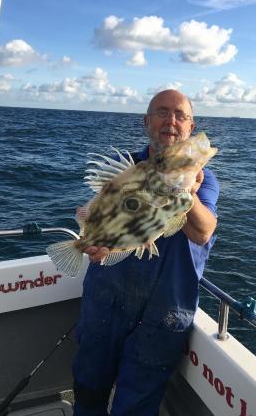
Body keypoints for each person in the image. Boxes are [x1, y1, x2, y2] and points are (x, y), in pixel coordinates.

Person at [72, 89, 219, 416]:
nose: (171, 121)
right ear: (146, 121)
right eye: (162, 112)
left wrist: (186, 193)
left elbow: (203, 231)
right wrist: (93, 242)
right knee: (88, 388)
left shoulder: (203, 180)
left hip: (165, 308)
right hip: (105, 297)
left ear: (190, 125)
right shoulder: (127, 173)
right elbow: (100, 217)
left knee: (136, 404)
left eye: (180, 115)